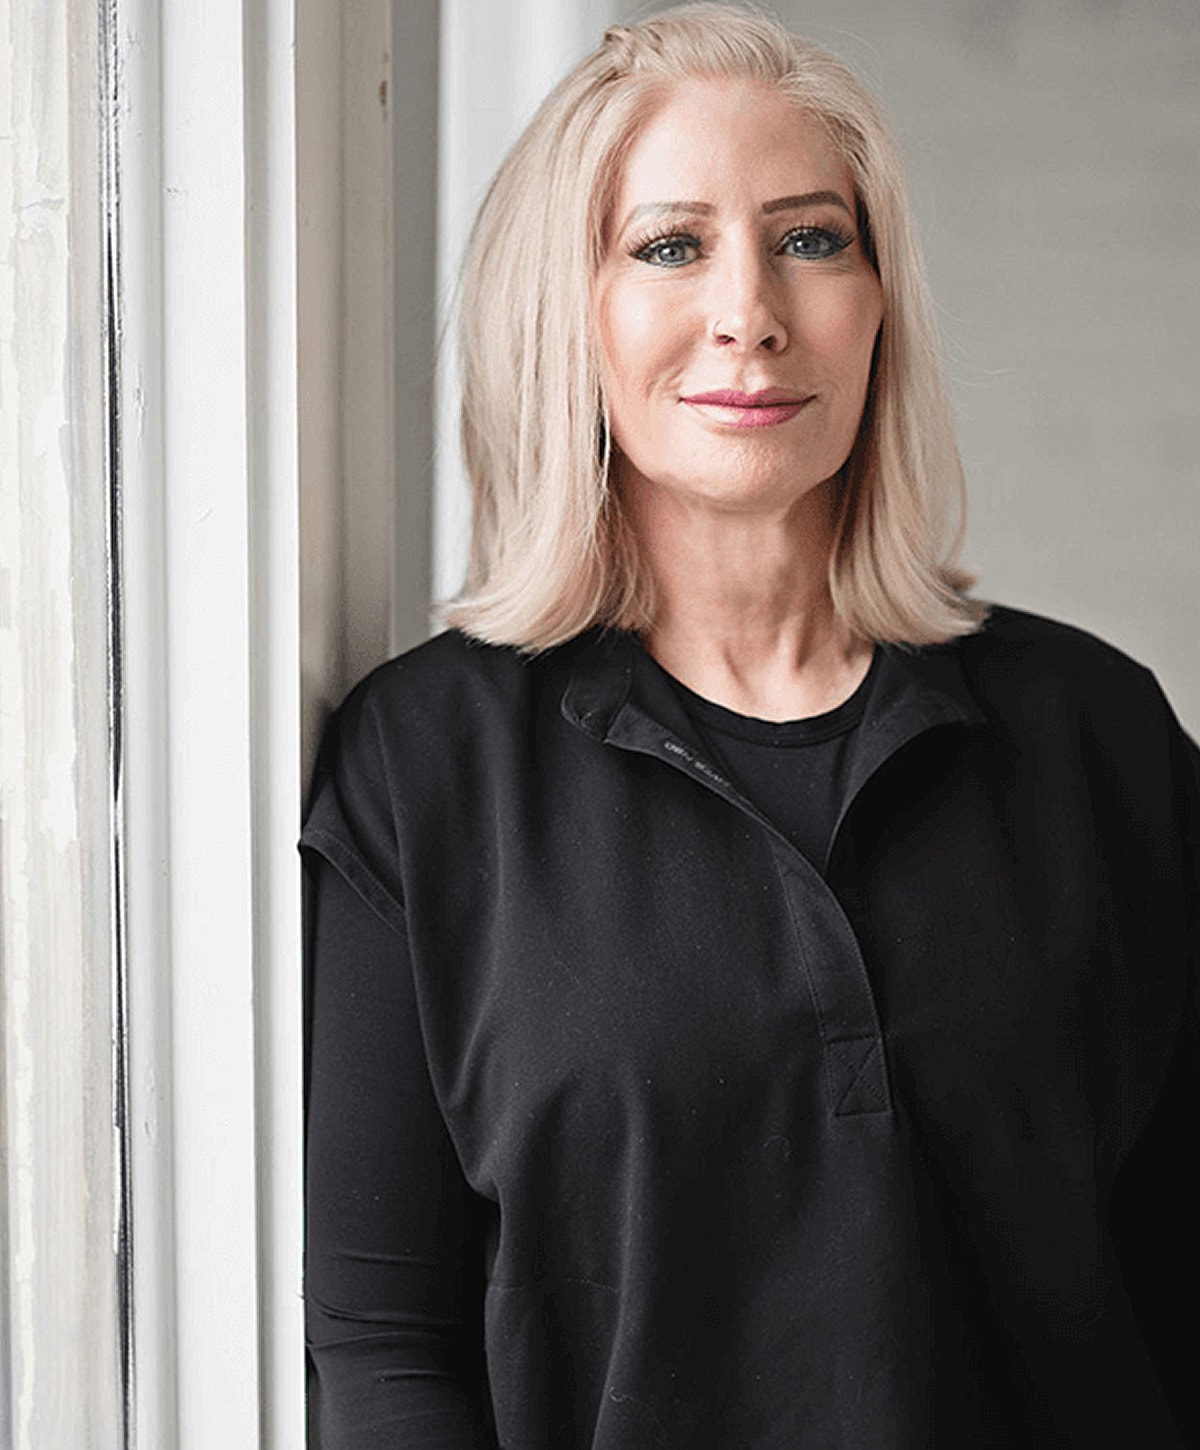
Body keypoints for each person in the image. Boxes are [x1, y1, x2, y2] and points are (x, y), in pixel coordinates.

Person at [302, 6, 1197, 1446]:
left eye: (812, 238)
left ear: (881, 299)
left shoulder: (1098, 733)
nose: (752, 311)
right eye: (670, 245)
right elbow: (381, 1339)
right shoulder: (425, 771)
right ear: (566, 311)